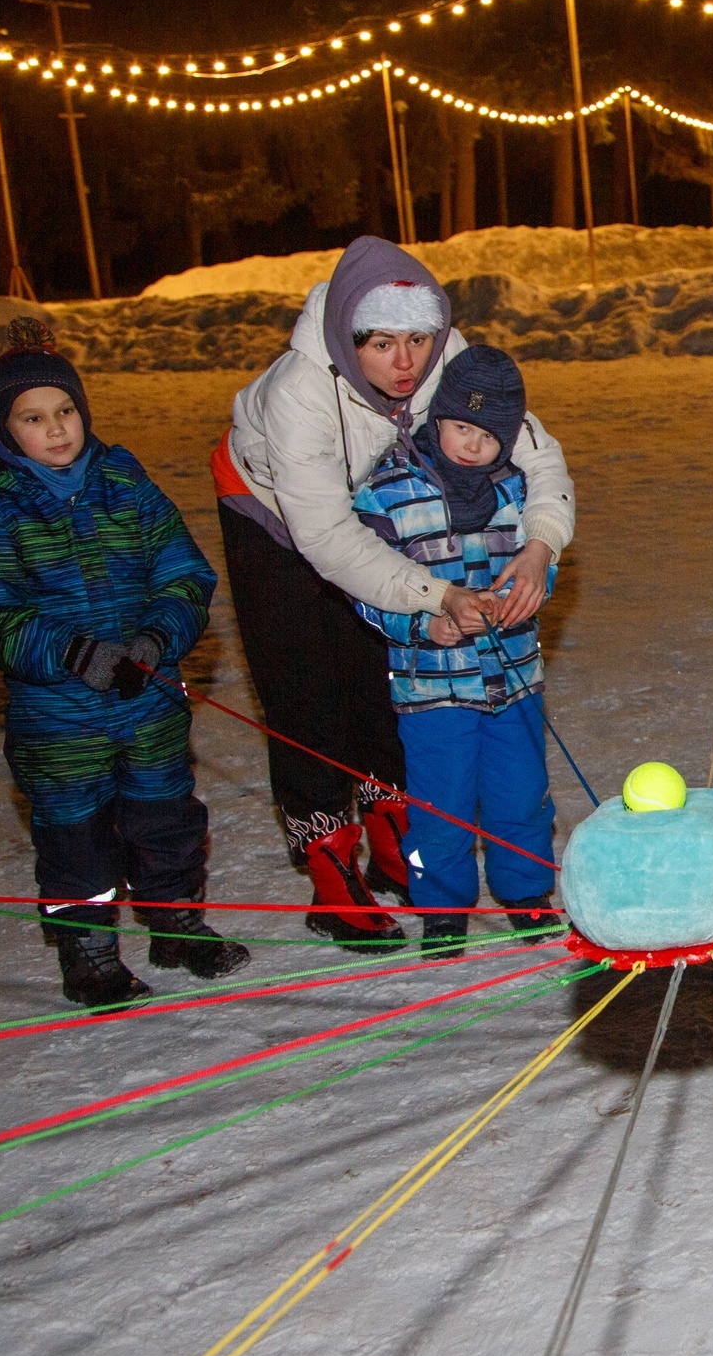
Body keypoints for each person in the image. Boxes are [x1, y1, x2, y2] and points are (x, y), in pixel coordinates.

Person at [215, 238, 574, 951]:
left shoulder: (448, 356)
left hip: (390, 506)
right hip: (277, 517)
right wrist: (436, 595)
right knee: (306, 689)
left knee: (385, 677)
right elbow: (328, 537)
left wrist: (539, 546)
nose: (406, 363)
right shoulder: (298, 392)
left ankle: (391, 836)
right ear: (351, 337)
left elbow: (539, 459)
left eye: (418, 340)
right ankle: (329, 865)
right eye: (381, 344)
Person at [0, 321, 244, 1007]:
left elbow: (184, 573)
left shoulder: (128, 488)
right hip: (59, 719)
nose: (56, 429)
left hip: (148, 701)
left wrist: (157, 638)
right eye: (33, 418)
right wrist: (71, 652)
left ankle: (176, 923)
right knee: (75, 836)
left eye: (65, 411)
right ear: (4, 429)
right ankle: (88, 951)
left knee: (166, 818)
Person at [352, 345, 559, 961]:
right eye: (462, 427)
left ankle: (526, 893)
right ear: (436, 416)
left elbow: (541, 566)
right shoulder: (387, 494)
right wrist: (421, 624)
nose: (472, 445)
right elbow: (364, 588)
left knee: (521, 795)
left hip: (513, 682)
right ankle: (441, 908)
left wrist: (529, 591)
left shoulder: (519, 490)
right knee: (438, 808)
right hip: (432, 692)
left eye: (489, 435)